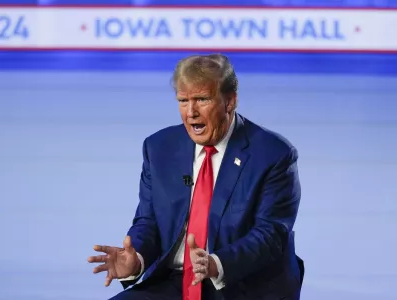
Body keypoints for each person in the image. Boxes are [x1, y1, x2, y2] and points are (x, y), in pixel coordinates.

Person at [88, 53, 304, 300]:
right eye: (183, 100)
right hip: (176, 282)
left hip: (244, 285)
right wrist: (136, 259)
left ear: (230, 101)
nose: (191, 112)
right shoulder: (159, 147)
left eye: (202, 99)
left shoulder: (273, 154)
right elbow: (149, 221)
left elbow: (270, 235)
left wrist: (216, 264)